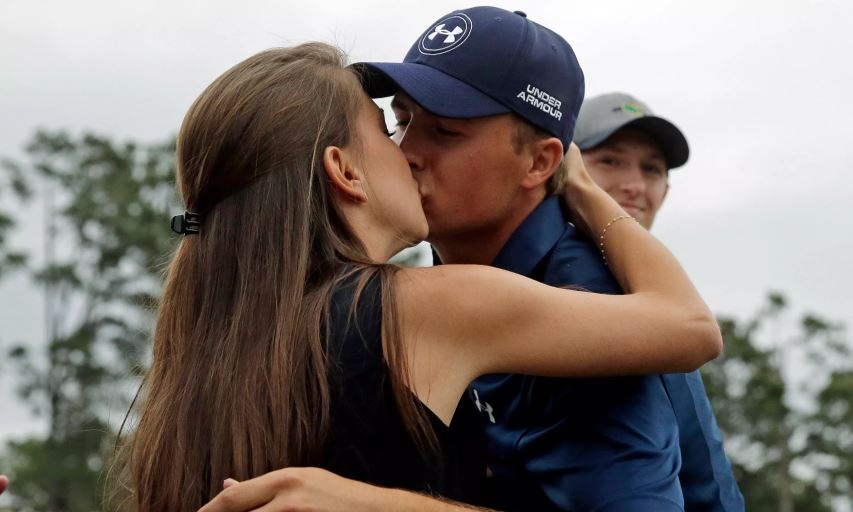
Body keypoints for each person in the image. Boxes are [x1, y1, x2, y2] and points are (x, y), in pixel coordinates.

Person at [119, 27, 722, 512]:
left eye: (444, 130)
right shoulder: (428, 304)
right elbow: (691, 327)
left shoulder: (206, 341)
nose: (408, 151)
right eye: (393, 124)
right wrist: (589, 193)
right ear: (345, 171)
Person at [576, 91, 744, 510]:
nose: (634, 185)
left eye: (651, 169)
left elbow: (706, 475)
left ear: (666, 190)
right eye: (610, 161)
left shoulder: (659, 302)